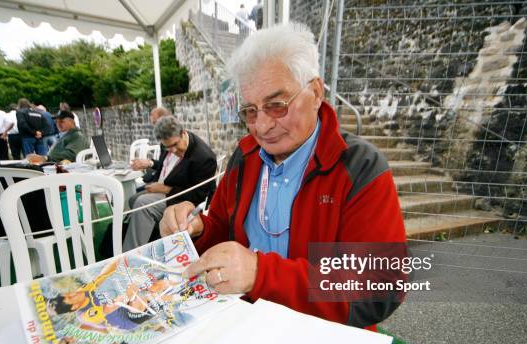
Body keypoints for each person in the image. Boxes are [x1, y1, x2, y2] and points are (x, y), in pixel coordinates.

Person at [159, 23, 407, 328]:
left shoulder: (360, 167)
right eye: (250, 111)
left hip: (327, 338)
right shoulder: (245, 157)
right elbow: (223, 228)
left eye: (276, 105)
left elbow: (380, 286)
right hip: (244, 324)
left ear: (315, 92)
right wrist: (197, 229)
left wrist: (261, 274)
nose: (262, 126)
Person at [123, 115, 217, 251]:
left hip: (180, 198)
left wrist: (165, 189)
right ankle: (152, 239)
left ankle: (131, 254)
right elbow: (165, 165)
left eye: (175, 145)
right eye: (168, 148)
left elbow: (197, 197)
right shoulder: (168, 144)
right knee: (133, 199)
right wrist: (150, 163)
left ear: (183, 132)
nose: (172, 151)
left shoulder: (203, 158)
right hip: (162, 187)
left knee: (142, 204)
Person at [130, 106, 172, 173]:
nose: (154, 127)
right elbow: (163, 165)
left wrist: (149, 163)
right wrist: (149, 163)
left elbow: (172, 169)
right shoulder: (164, 140)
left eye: (155, 123)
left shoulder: (174, 141)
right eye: (153, 123)